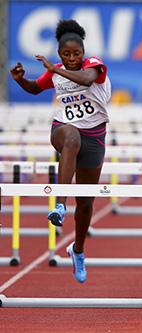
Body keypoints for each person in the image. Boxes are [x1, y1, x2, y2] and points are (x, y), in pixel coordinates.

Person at [10, 19, 111, 283]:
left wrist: (55, 70)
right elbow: (35, 88)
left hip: (95, 136)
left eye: (76, 53)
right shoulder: (55, 72)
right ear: (59, 54)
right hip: (64, 129)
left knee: (87, 203)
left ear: (83, 52)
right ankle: (59, 204)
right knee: (71, 138)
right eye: (66, 55)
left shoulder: (94, 65)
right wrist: (21, 81)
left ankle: (77, 250)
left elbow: (88, 81)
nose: (72, 58)